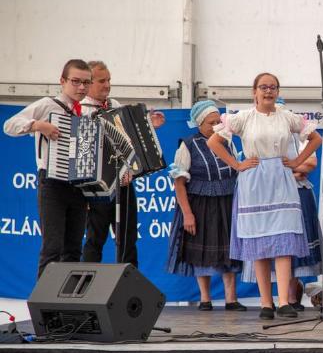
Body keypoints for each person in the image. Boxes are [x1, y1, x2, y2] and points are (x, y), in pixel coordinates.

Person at [207, 72, 322, 320]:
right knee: (259, 244)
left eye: (273, 87)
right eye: (263, 87)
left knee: (283, 241)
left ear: (278, 91)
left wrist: (296, 162)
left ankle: (283, 301)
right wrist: (236, 165)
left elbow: (315, 138)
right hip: (255, 180)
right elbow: (214, 142)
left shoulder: (286, 117)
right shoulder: (243, 118)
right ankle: (266, 303)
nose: (268, 91)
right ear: (254, 92)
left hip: (280, 179)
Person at [3, 59, 92, 278]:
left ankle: (66, 305)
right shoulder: (47, 104)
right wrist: (37, 125)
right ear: (62, 81)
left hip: (78, 187)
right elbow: (9, 125)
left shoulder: (87, 113)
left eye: (86, 83)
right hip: (52, 184)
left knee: (73, 249)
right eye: (76, 81)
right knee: (52, 248)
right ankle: (44, 307)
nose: (81, 87)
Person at [80, 60, 166, 267]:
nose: (107, 85)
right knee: (94, 239)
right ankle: (87, 290)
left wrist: (149, 126)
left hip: (124, 184)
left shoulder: (115, 106)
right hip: (97, 188)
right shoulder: (79, 111)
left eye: (109, 80)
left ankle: (128, 288)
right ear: (89, 83)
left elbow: (131, 139)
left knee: (128, 239)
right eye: (102, 81)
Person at [166, 100, 245, 311]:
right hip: (200, 202)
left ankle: (231, 299)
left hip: (227, 199)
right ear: (199, 123)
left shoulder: (227, 142)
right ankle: (205, 299)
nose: (216, 126)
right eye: (211, 123)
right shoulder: (188, 144)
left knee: (231, 250)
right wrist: (188, 215)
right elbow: (179, 182)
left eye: (218, 122)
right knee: (201, 253)